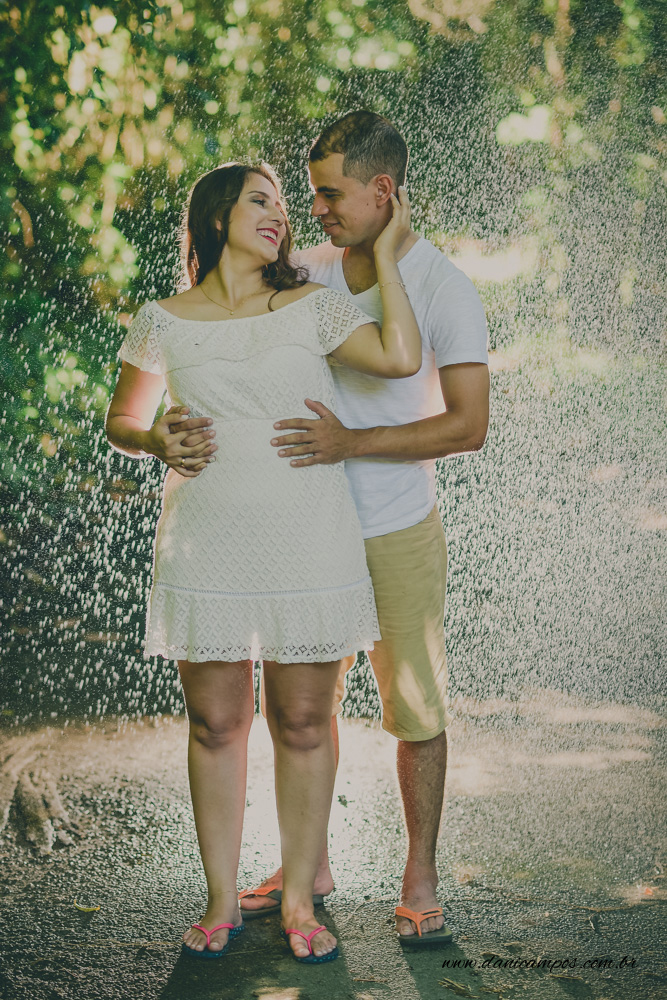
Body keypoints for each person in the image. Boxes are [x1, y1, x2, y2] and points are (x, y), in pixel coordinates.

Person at [105, 161, 422, 963]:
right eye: (261, 201)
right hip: (203, 543)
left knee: (304, 723)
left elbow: (399, 358)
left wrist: (386, 256)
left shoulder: (310, 308)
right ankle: (219, 900)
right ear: (215, 217)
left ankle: (293, 898)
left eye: (282, 204)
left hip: (309, 538)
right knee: (217, 724)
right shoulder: (162, 320)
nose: (280, 215)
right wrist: (153, 437)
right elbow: (122, 417)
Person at [224, 112, 489, 947]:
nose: (318, 211)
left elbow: (467, 426)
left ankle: (420, 874)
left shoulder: (444, 288)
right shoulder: (304, 269)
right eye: (310, 196)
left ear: (383, 192)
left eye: (331, 194)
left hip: (397, 528)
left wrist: (353, 444)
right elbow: (222, 301)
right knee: (302, 709)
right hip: (305, 528)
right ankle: (311, 865)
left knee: (413, 707)